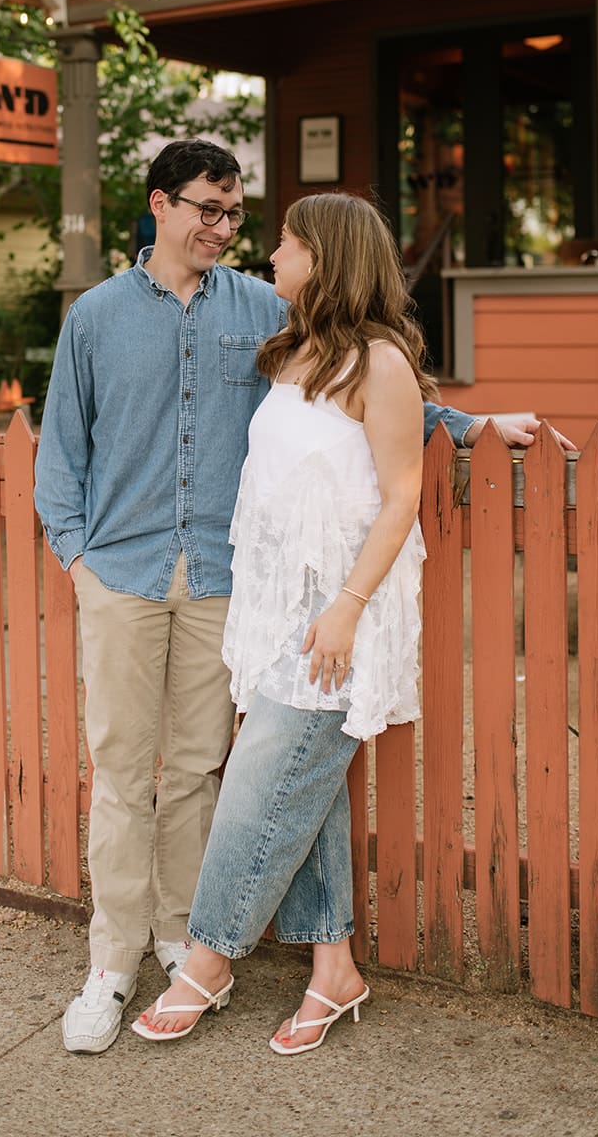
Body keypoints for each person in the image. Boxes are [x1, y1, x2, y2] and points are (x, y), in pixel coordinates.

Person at [34, 139, 566, 1055]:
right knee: (124, 774)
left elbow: (367, 386)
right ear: (160, 205)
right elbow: (61, 453)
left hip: (227, 584)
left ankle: (185, 943)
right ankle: (112, 963)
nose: (227, 231)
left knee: (210, 769)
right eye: (209, 209)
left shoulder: (260, 306)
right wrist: (76, 556)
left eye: (240, 216)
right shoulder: (96, 317)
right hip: (125, 573)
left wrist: (470, 423)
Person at [130, 191, 431, 1053]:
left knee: (260, 788)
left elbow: (401, 496)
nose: (271, 254)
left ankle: (207, 960)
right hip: (275, 616)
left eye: (289, 242)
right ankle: (332, 968)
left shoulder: (380, 364)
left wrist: (344, 609)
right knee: (307, 792)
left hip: (339, 620)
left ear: (326, 257)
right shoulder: (294, 352)